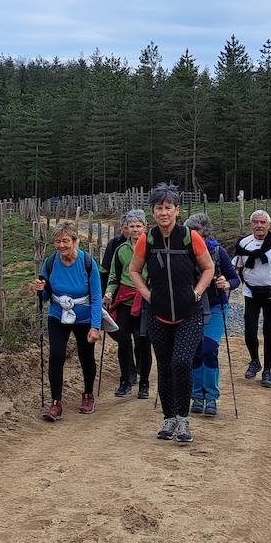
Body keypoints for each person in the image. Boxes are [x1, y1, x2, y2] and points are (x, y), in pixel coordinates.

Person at [128, 186, 214, 443]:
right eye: (159, 208)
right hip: (158, 314)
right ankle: (168, 419)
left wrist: (197, 293)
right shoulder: (148, 239)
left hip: (190, 313)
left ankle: (183, 420)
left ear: (177, 210)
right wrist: (147, 294)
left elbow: (208, 267)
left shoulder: (190, 237)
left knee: (181, 362)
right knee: (164, 367)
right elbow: (134, 270)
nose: (163, 212)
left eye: (168, 207)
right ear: (152, 211)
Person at [32, 222, 103, 421]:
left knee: (86, 357)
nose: (61, 246)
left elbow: (96, 297)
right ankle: (56, 403)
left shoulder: (88, 263)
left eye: (65, 241)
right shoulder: (50, 262)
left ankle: (88, 394)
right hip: (57, 313)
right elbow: (45, 296)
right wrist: (40, 288)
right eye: (57, 241)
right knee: (56, 354)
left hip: (84, 316)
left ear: (75, 241)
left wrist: (95, 327)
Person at [231, 210, 271, 388]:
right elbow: (236, 268)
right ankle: (254, 361)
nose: (259, 225)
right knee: (249, 331)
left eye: (262, 222)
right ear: (251, 224)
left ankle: (267, 370)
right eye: (256, 222)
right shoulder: (244, 243)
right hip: (250, 293)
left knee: (269, 332)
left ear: (269, 225)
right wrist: (229, 285)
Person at [184, 213, 240, 416]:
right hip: (190, 309)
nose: (196, 239)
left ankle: (211, 397)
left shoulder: (217, 251)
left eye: (200, 235)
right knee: (196, 350)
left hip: (215, 306)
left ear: (205, 234)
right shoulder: (183, 252)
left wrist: (225, 283)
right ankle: (197, 395)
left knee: (208, 348)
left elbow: (235, 280)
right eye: (192, 235)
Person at [102, 209, 152, 399]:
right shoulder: (120, 250)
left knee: (143, 341)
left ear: (145, 227)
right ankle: (125, 380)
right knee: (123, 340)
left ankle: (144, 384)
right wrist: (109, 292)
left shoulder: (151, 248)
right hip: (124, 300)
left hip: (146, 300)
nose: (135, 229)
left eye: (139, 226)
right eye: (132, 226)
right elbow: (114, 276)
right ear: (126, 229)